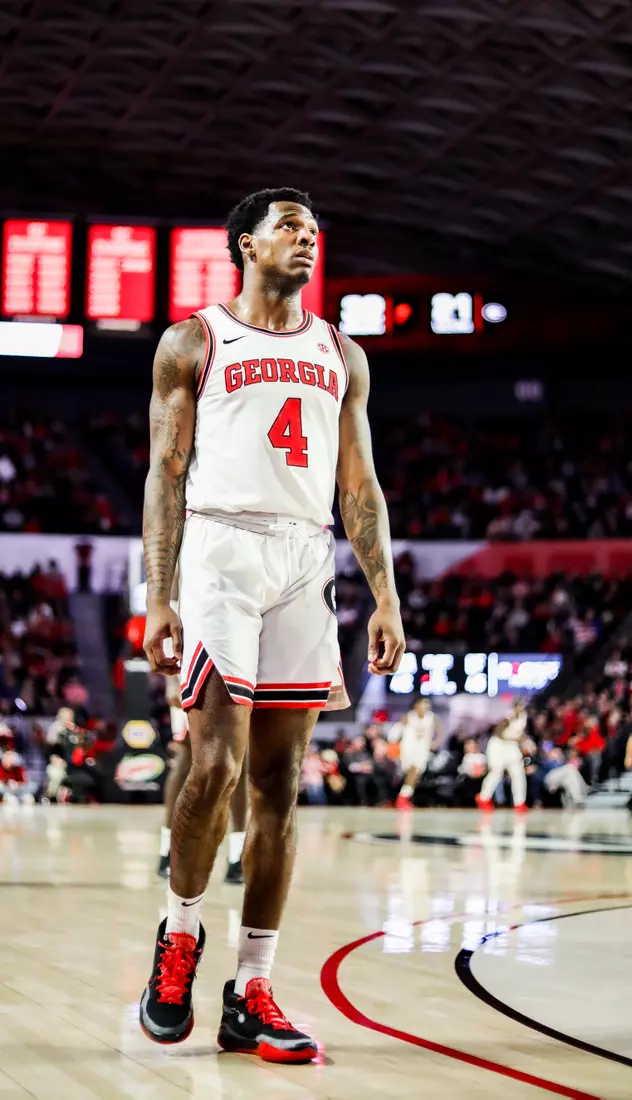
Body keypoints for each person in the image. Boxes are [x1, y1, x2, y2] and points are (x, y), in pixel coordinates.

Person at [138, 188, 404, 1061]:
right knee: (213, 764)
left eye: (314, 229)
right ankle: (178, 937)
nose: (307, 238)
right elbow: (165, 472)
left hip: (304, 556)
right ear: (245, 244)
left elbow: (358, 486)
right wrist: (160, 592)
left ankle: (251, 987)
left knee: (280, 789)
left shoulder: (341, 352)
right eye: (289, 225)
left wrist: (386, 594)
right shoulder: (194, 340)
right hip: (220, 549)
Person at [158, 672, 247, 884]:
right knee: (186, 759)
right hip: (190, 668)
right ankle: (169, 850)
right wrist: (171, 680)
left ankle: (238, 857)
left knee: (242, 759)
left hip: (236, 667)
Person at [390, 698, 443, 809]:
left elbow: (440, 732)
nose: (426, 706)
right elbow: (396, 730)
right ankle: (402, 798)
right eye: (424, 703)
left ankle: (404, 796)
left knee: (415, 774)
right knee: (412, 771)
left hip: (422, 749)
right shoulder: (409, 716)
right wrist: (392, 743)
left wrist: (435, 742)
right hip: (408, 748)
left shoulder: (431, 717)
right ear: (416, 705)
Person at [476, 700, 529, 812]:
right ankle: (483, 797)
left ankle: (519, 802)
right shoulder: (508, 716)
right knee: (496, 772)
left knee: (518, 773)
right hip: (499, 745)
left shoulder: (523, 717)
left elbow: (521, 733)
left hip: (512, 746)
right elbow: (498, 732)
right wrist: (510, 722)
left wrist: (523, 741)